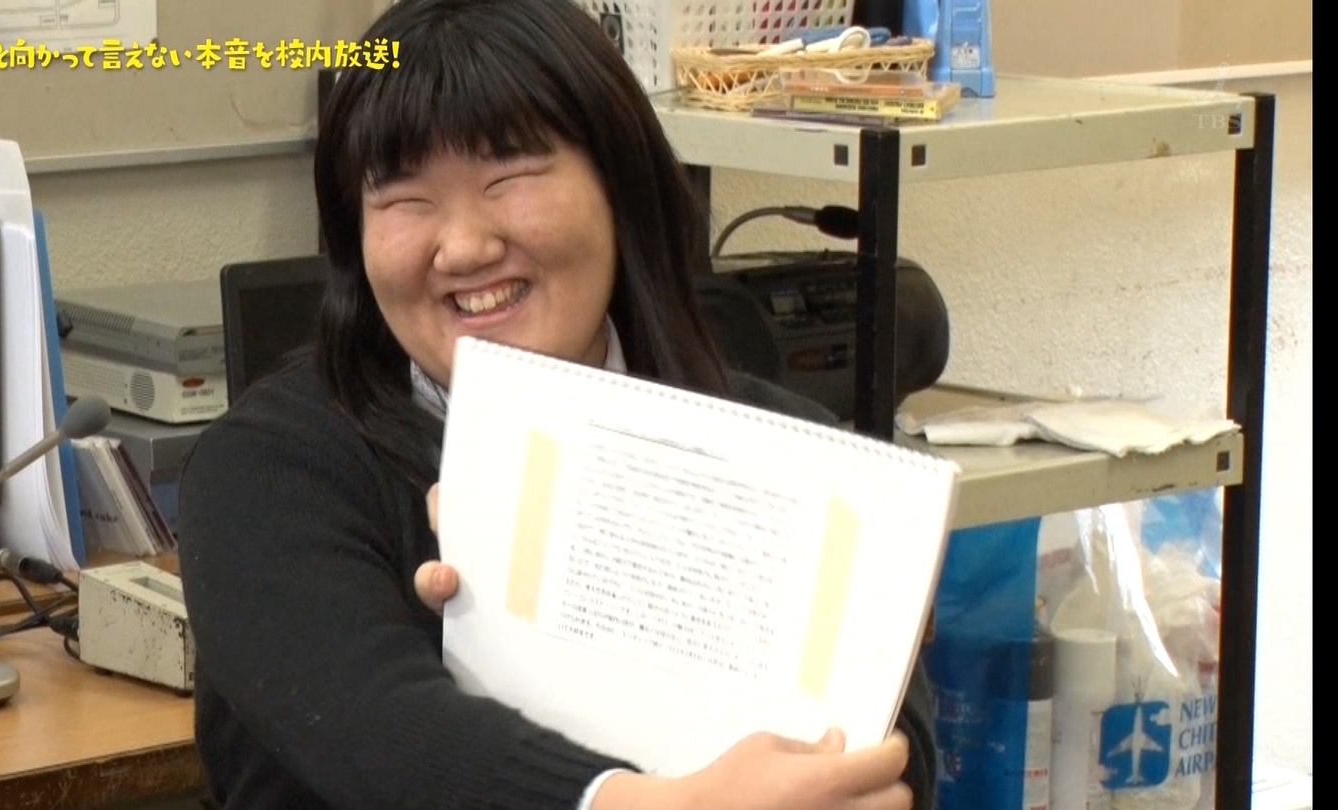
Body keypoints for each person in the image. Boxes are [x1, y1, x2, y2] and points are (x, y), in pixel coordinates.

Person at [177, 0, 938, 807]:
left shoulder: (794, 453)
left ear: (620, 187)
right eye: (404, 197)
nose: (464, 247)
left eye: (509, 176)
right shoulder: (265, 470)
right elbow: (374, 727)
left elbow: (893, 757)